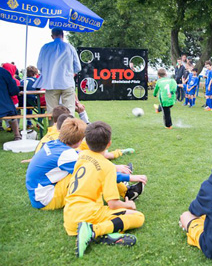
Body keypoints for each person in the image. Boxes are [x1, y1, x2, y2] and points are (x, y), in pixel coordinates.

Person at [64, 121, 146, 258]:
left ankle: (106, 234)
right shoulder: (107, 167)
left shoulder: (81, 155)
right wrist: (128, 204)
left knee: (115, 216)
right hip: (87, 216)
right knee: (138, 216)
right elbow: (113, 204)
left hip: (69, 217)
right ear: (109, 144)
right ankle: (94, 231)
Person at [26, 118, 87, 210]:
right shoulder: (66, 154)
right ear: (79, 141)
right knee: (83, 174)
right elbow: (91, 170)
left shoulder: (53, 143)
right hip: (45, 200)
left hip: (37, 195)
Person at [34, 28, 81, 116]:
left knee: (52, 112)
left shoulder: (45, 47)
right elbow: (78, 67)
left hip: (51, 83)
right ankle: (69, 129)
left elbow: (39, 66)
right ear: (63, 35)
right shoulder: (70, 47)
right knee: (69, 111)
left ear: (52, 36)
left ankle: (53, 129)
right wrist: (70, 73)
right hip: (67, 82)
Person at [0, 65, 21, 140]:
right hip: (4, 107)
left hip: (3, 106)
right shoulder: (3, 72)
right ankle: (17, 136)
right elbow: (13, 90)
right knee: (12, 114)